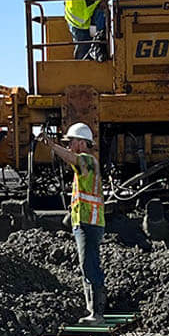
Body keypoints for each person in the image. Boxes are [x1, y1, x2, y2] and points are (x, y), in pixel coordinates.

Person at [49, 121, 105, 322]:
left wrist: (52, 145)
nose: (68, 146)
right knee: (87, 265)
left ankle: (97, 313)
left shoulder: (88, 161)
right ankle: (93, 311)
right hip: (85, 221)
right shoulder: (85, 166)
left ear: (82, 143)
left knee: (89, 265)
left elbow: (71, 157)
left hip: (89, 222)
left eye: (71, 141)